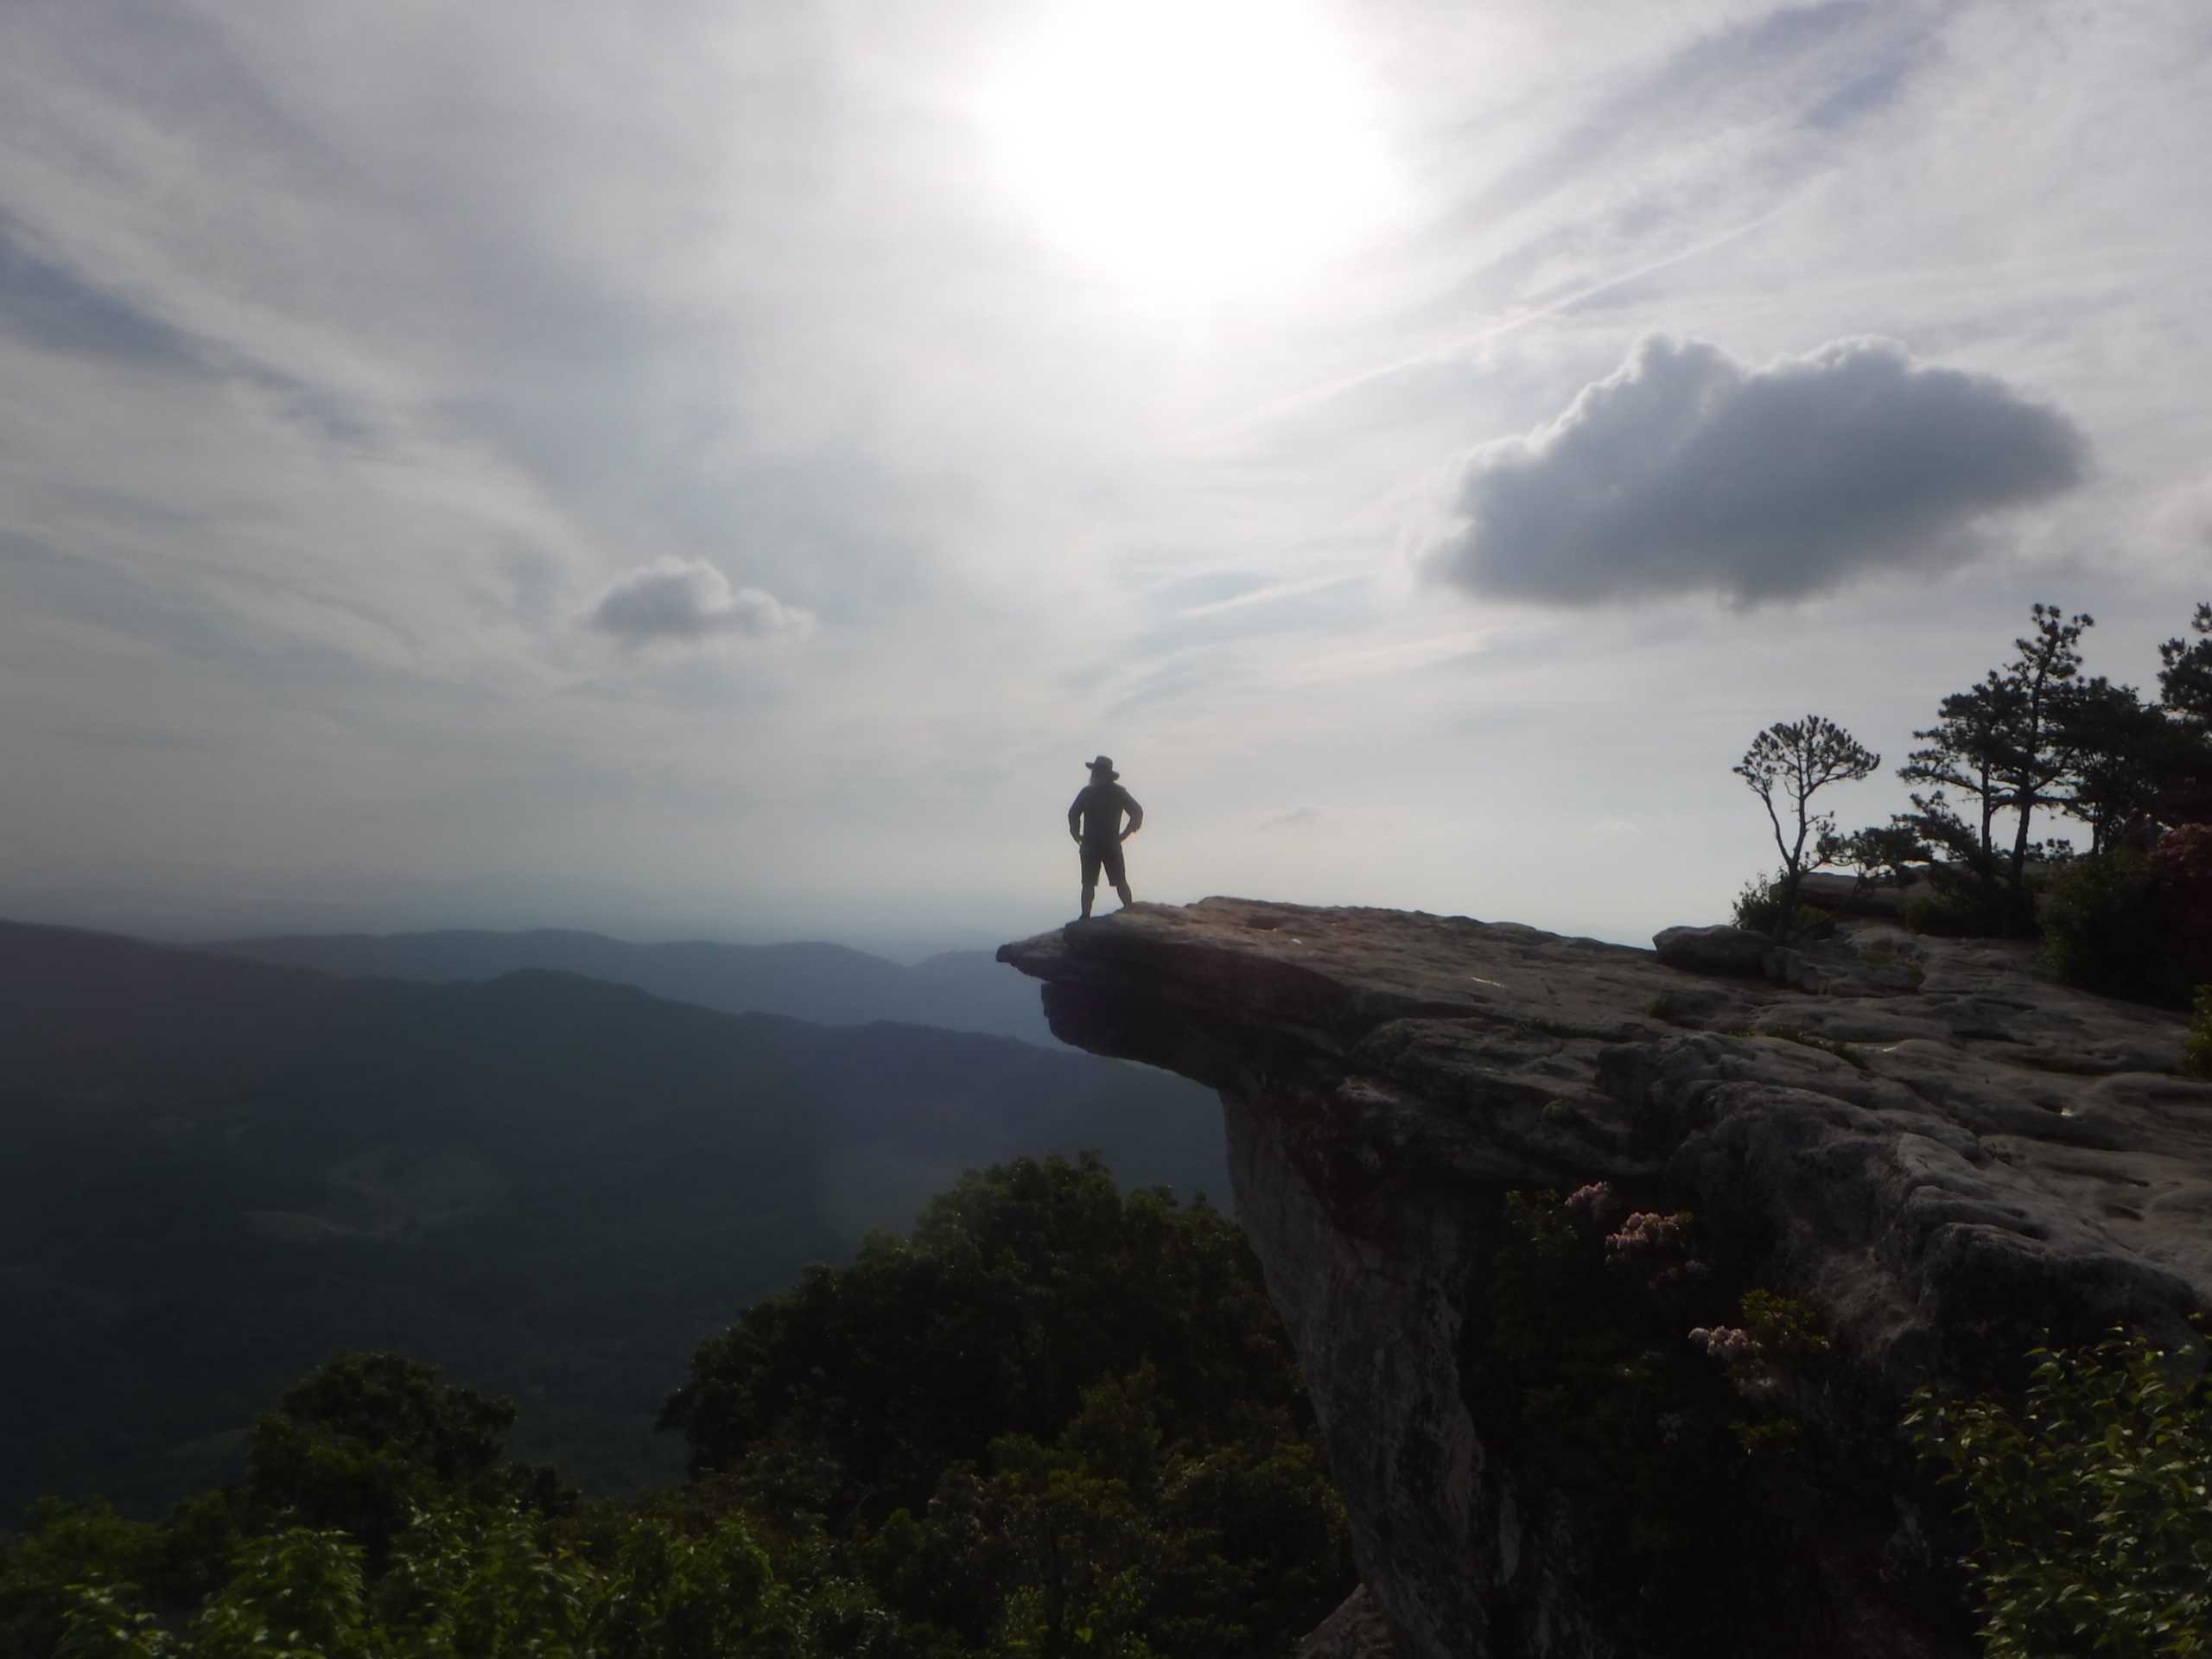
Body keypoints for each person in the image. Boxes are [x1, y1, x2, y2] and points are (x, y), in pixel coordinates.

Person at [1068, 755, 1143, 920]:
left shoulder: (1116, 793)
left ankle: (1129, 911)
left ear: (1104, 774)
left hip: (1106, 845)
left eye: (1097, 771)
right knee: (1089, 884)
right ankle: (1086, 916)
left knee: (1118, 881)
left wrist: (1126, 833)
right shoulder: (1088, 793)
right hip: (1093, 845)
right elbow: (1073, 814)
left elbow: (1137, 812)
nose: (1094, 774)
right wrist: (1075, 832)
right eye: (1095, 771)